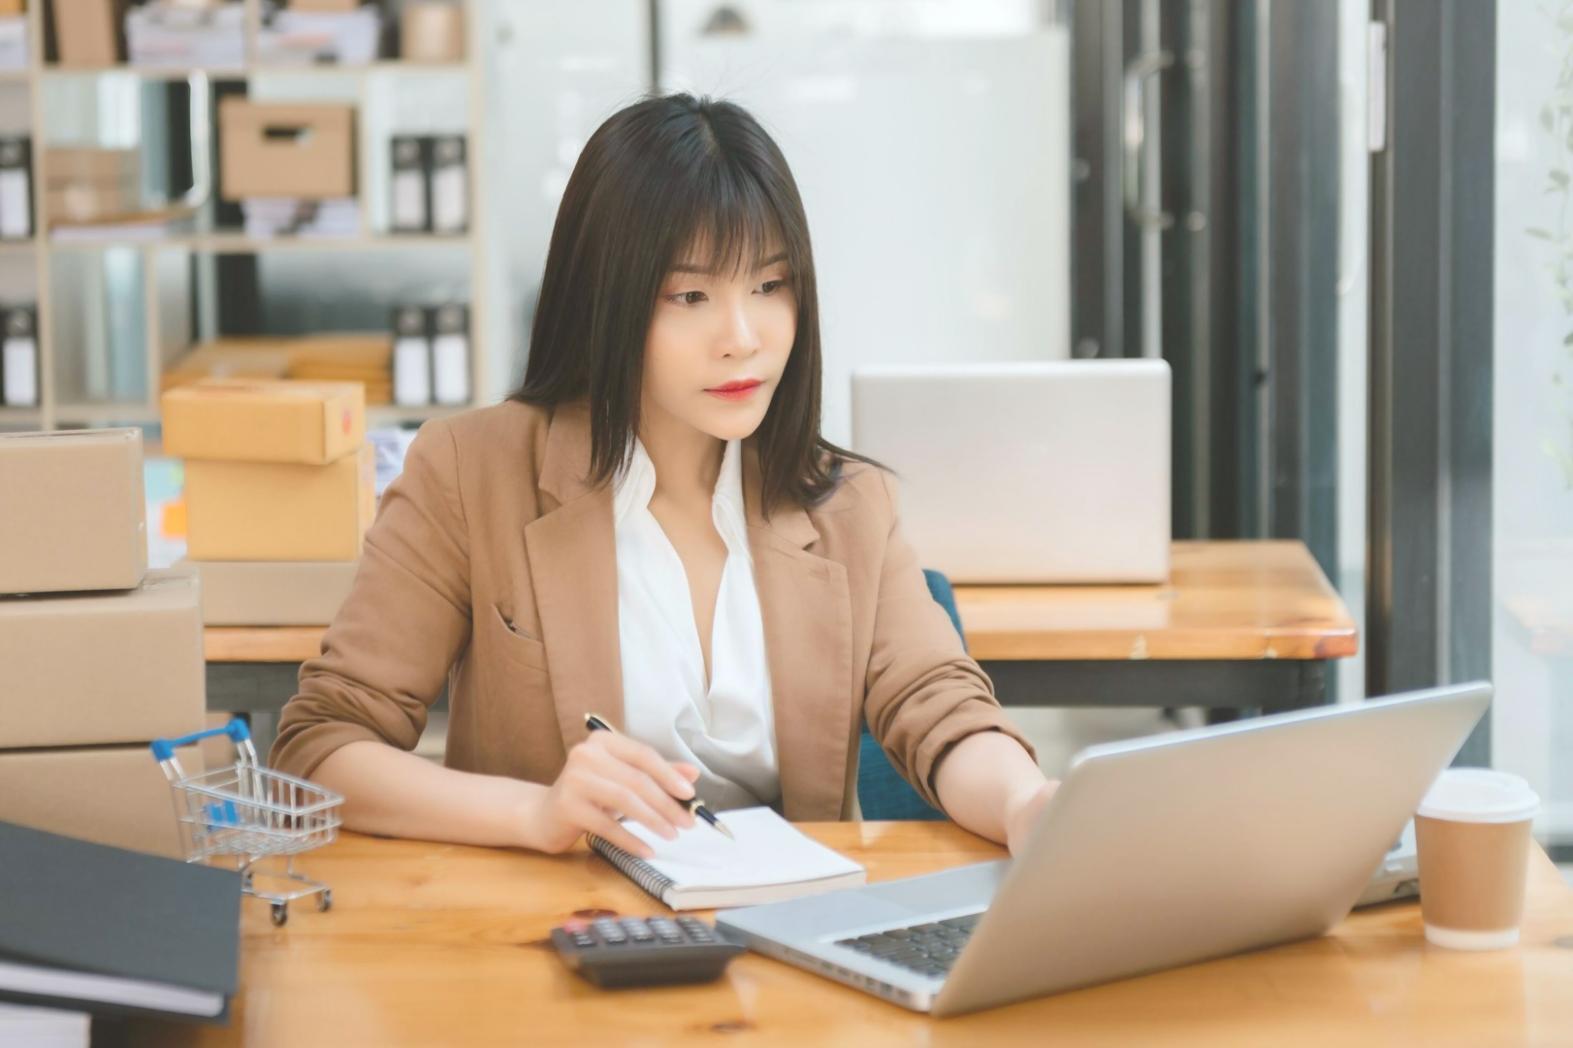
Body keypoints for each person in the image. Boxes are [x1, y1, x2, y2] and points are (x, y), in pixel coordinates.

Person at [270, 93, 1056, 860]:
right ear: (604, 302)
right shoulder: (469, 471)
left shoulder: (848, 503)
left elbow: (942, 711)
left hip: (782, 941)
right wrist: (535, 812)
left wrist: (1028, 804)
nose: (742, 337)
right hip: (546, 941)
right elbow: (320, 747)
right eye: (690, 295)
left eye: (769, 286)